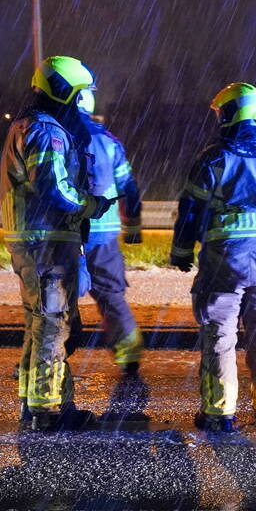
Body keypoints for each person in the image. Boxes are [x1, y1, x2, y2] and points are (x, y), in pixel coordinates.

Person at [170, 82, 256, 433]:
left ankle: (218, 413)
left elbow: (190, 209)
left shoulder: (214, 157)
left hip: (225, 258)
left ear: (231, 116)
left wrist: (182, 249)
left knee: (219, 334)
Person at [1, 56, 115, 430]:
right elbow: (55, 188)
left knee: (41, 324)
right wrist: (92, 205)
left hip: (37, 241)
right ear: (65, 92)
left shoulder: (31, 125)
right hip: (45, 243)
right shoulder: (44, 130)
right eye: (79, 93)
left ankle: (32, 404)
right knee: (54, 325)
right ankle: (49, 411)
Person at [80, 109, 144, 374]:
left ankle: (49, 356)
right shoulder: (109, 141)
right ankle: (129, 351)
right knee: (111, 296)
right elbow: (128, 186)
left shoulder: (57, 134)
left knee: (56, 295)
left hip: (70, 230)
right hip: (104, 232)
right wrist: (133, 227)